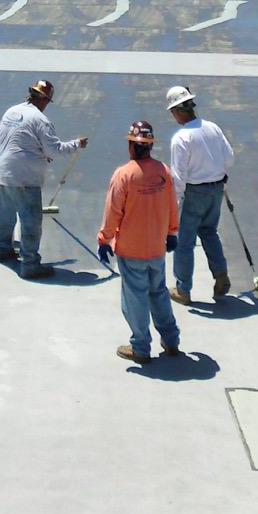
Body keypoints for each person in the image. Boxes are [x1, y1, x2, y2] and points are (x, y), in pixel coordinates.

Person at [96, 120, 181, 364]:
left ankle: (141, 347)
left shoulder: (124, 175)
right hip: (156, 248)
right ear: (150, 146)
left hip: (131, 250)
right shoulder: (163, 172)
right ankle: (171, 340)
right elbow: (172, 205)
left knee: (135, 298)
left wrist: (104, 239)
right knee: (159, 292)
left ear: (131, 146)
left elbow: (113, 212)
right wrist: (171, 233)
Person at [0, 79, 89, 279]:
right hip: (25, 178)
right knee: (31, 222)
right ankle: (30, 265)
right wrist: (77, 144)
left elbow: (18, 141)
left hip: (3, 172)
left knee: (6, 216)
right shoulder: (40, 120)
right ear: (45, 100)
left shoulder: (11, 111)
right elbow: (55, 150)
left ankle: (2, 250)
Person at [165, 85, 235, 304]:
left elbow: (178, 177)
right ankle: (221, 274)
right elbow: (229, 159)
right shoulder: (213, 128)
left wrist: (174, 204)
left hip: (195, 192)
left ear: (177, 111)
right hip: (216, 189)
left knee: (184, 243)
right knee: (209, 232)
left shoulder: (181, 138)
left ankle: (183, 290)